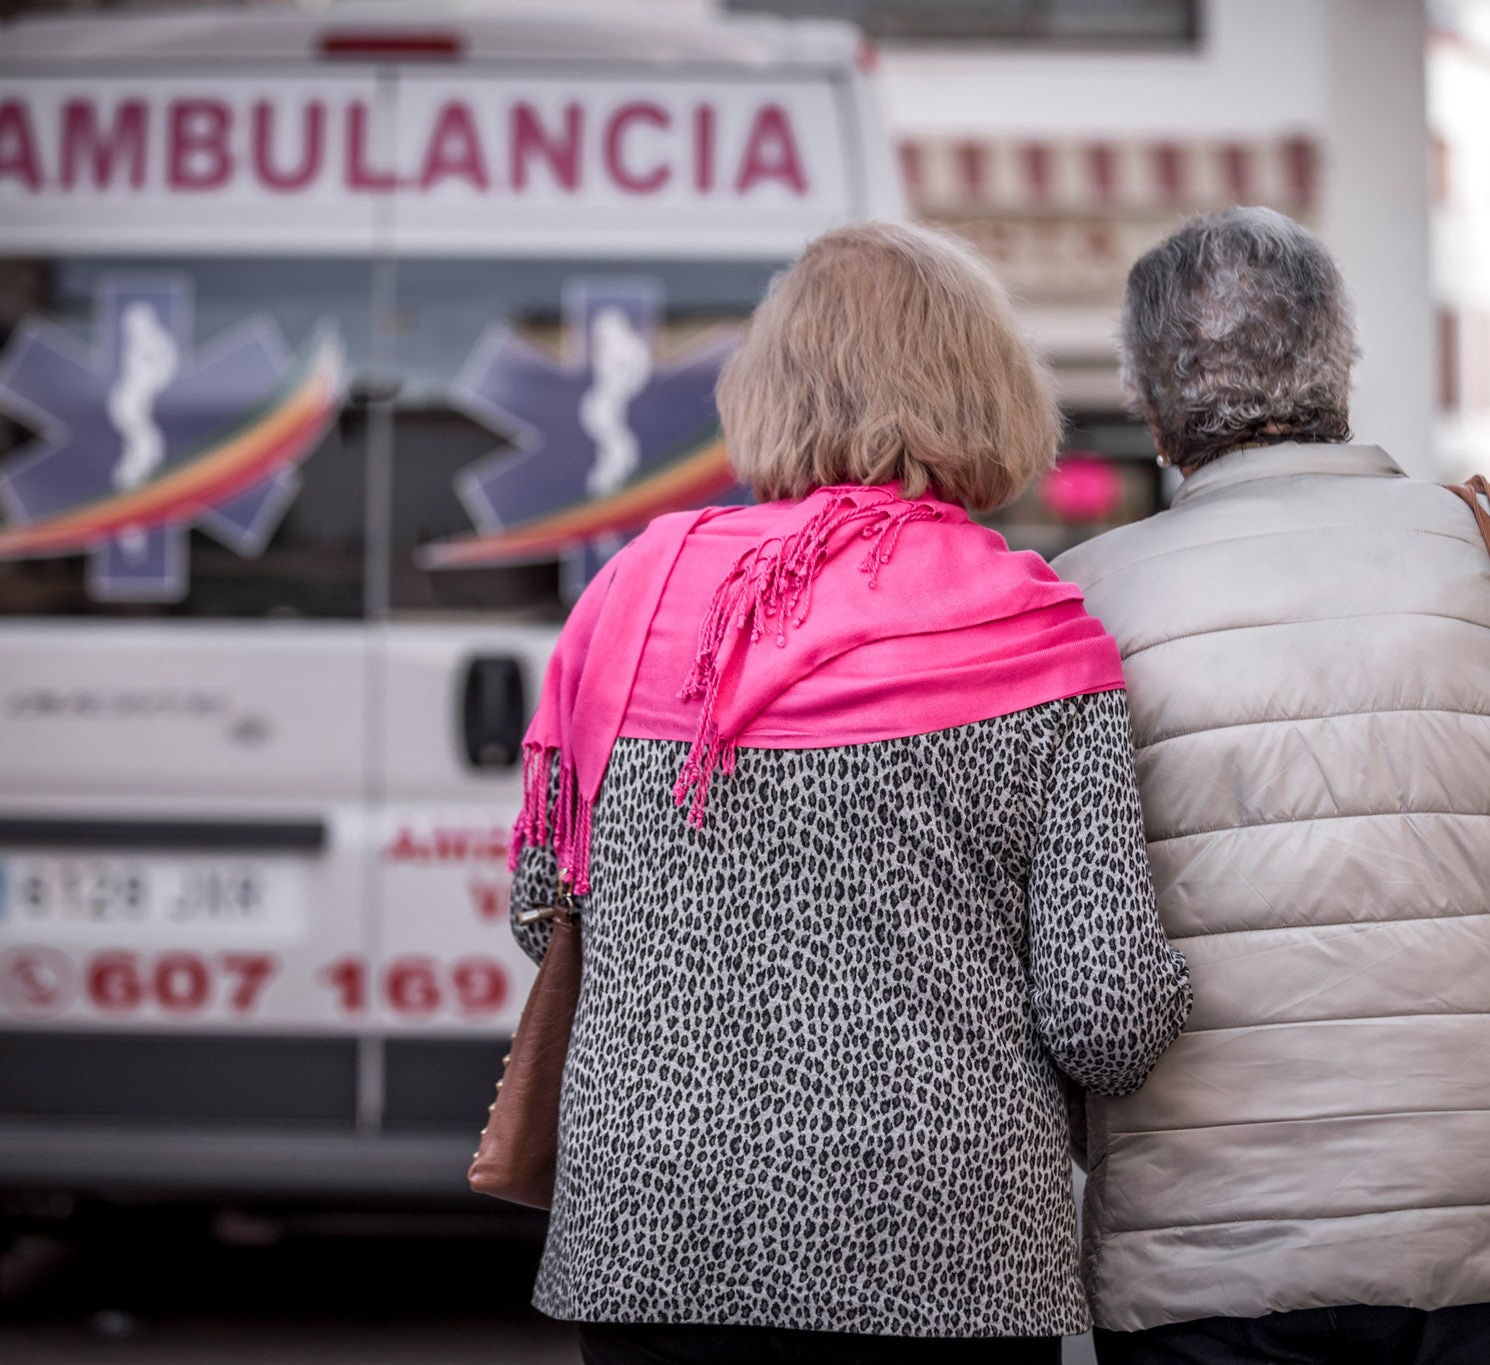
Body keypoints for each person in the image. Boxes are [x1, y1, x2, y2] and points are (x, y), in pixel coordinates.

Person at [1055, 208, 1490, 1365]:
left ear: (1151, 405)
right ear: (1339, 366)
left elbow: (1064, 965)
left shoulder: (1078, 601)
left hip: (1202, 1262)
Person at [505, 221, 1191, 1365]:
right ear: (988, 392)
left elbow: (547, 907)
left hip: (656, 1228)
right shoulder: (1033, 629)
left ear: (765, 386)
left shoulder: (632, 590)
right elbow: (1104, 1015)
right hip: (942, 1244)